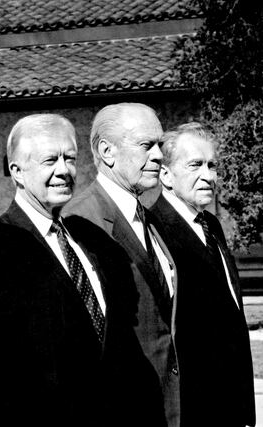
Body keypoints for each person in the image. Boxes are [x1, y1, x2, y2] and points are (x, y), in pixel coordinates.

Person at [0, 114, 166, 426]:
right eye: (50, 160)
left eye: (70, 158)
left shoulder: (92, 239)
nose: (64, 170)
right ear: (17, 172)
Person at [64, 103, 181, 426]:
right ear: (107, 151)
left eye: (159, 145)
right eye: (146, 145)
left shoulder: (150, 218)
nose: (158, 156)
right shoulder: (80, 223)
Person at [151, 123, 256, 427]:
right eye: (195, 165)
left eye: (212, 165)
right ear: (166, 175)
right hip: (193, 407)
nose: (209, 176)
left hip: (229, 403)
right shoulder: (153, 228)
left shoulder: (211, 224)